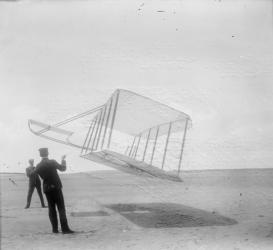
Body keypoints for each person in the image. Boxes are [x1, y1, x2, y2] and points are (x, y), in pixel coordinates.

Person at [31, 148, 74, 234]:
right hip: (56, 187)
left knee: (51, 209)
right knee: (61, 208)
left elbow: (32, 174)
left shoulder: (39, 165)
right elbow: (63, 168)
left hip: (47, 189)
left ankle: (55, 229)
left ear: (40, 155)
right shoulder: (52, 162)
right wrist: (63, 159)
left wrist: (34, 168)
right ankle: (65, 229)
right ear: (48, 153)